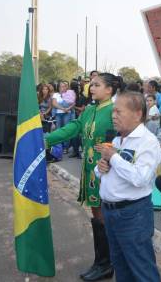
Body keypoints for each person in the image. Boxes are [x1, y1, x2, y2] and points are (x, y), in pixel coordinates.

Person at [46, 73, 116, 281]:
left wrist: (112, 153)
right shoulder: (90, 110)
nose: (91, 88)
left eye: (96, 85)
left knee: (104, 214)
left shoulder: (114, 110)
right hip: (89, 169)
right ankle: (102, 262)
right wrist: (47, 138)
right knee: (97, 214)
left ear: (109, 90)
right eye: (91, 85)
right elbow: (74, 128)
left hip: (108, 170)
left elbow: (124, 138)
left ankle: (106, 263)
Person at [94, 91, 161, 282]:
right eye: (113, 112)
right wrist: (101, 168)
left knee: (142, 270)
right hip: (110, 211)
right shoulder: (117, 139)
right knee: (121, 267)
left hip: (133, 214)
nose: (113, 116)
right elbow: (106, 172)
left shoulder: (148, 142)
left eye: (118, 112)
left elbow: (141, 178)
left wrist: (113, 157)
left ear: (137, 114)